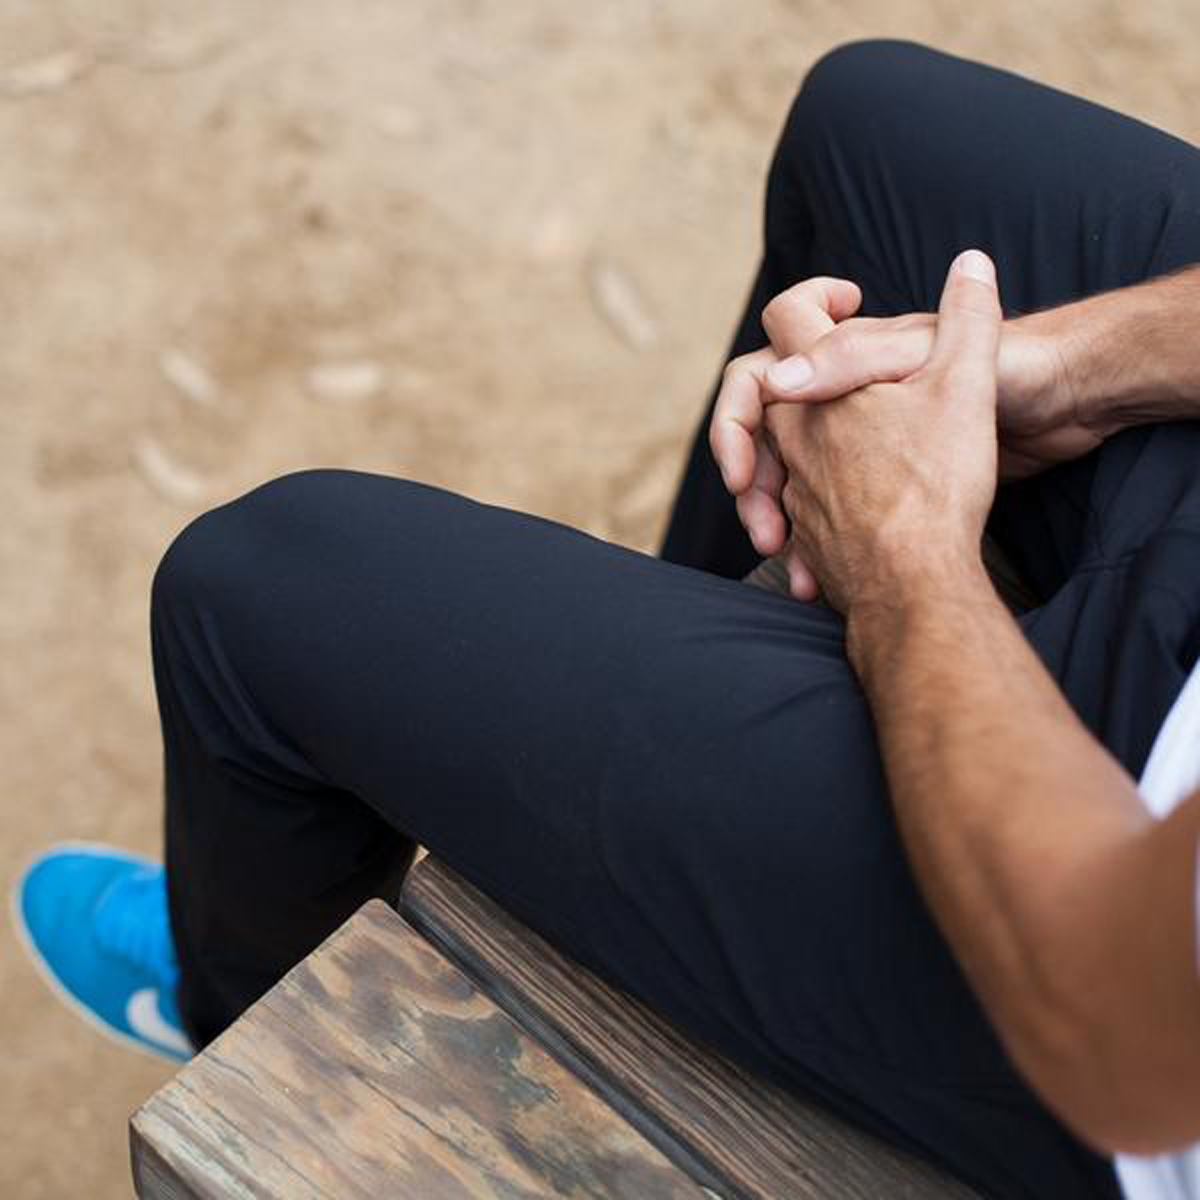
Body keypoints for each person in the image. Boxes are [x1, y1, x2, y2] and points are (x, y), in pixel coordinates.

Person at [14, 39, 1200, 1200]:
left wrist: (903, 552)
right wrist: (1065, 363)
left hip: (1091, 973)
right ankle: (664, 698)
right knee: (869, 133)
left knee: (256, 591)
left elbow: (1111, 1012)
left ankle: (242, 1021)